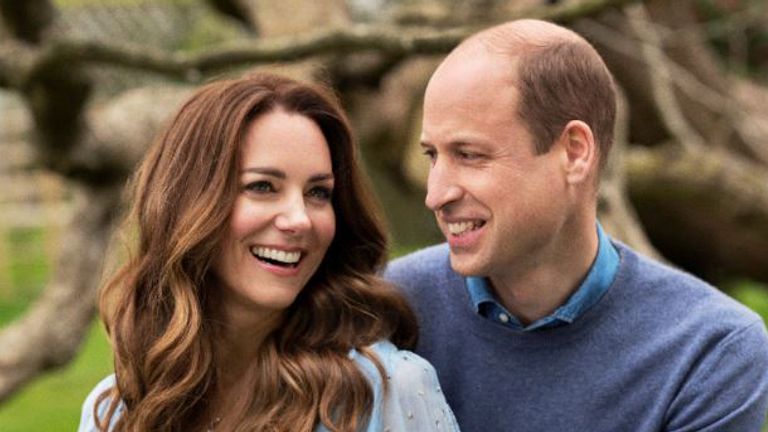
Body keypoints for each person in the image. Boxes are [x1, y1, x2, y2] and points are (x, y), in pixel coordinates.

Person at [385, 18, 768, 432]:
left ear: (574, 152)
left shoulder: (709, 350)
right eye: (432, 156)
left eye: (470, 155)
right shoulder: (384, 308)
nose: (435, 194)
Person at [79, 72, 459, 432]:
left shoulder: (387, 391)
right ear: (187, 204)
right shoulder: (116, 411)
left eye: (318, 193)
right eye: (263, 187)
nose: (299, 220)